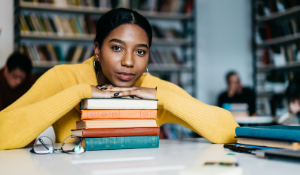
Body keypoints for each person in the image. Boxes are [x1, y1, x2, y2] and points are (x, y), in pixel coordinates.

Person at [0, 8, 239, 150]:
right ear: (97, 50)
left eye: (140, 51)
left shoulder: (151, 88)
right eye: (116, 48)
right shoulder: (64, 78)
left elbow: (230, 131)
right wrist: (80, 93)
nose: (128, 61)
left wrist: (161, 98)